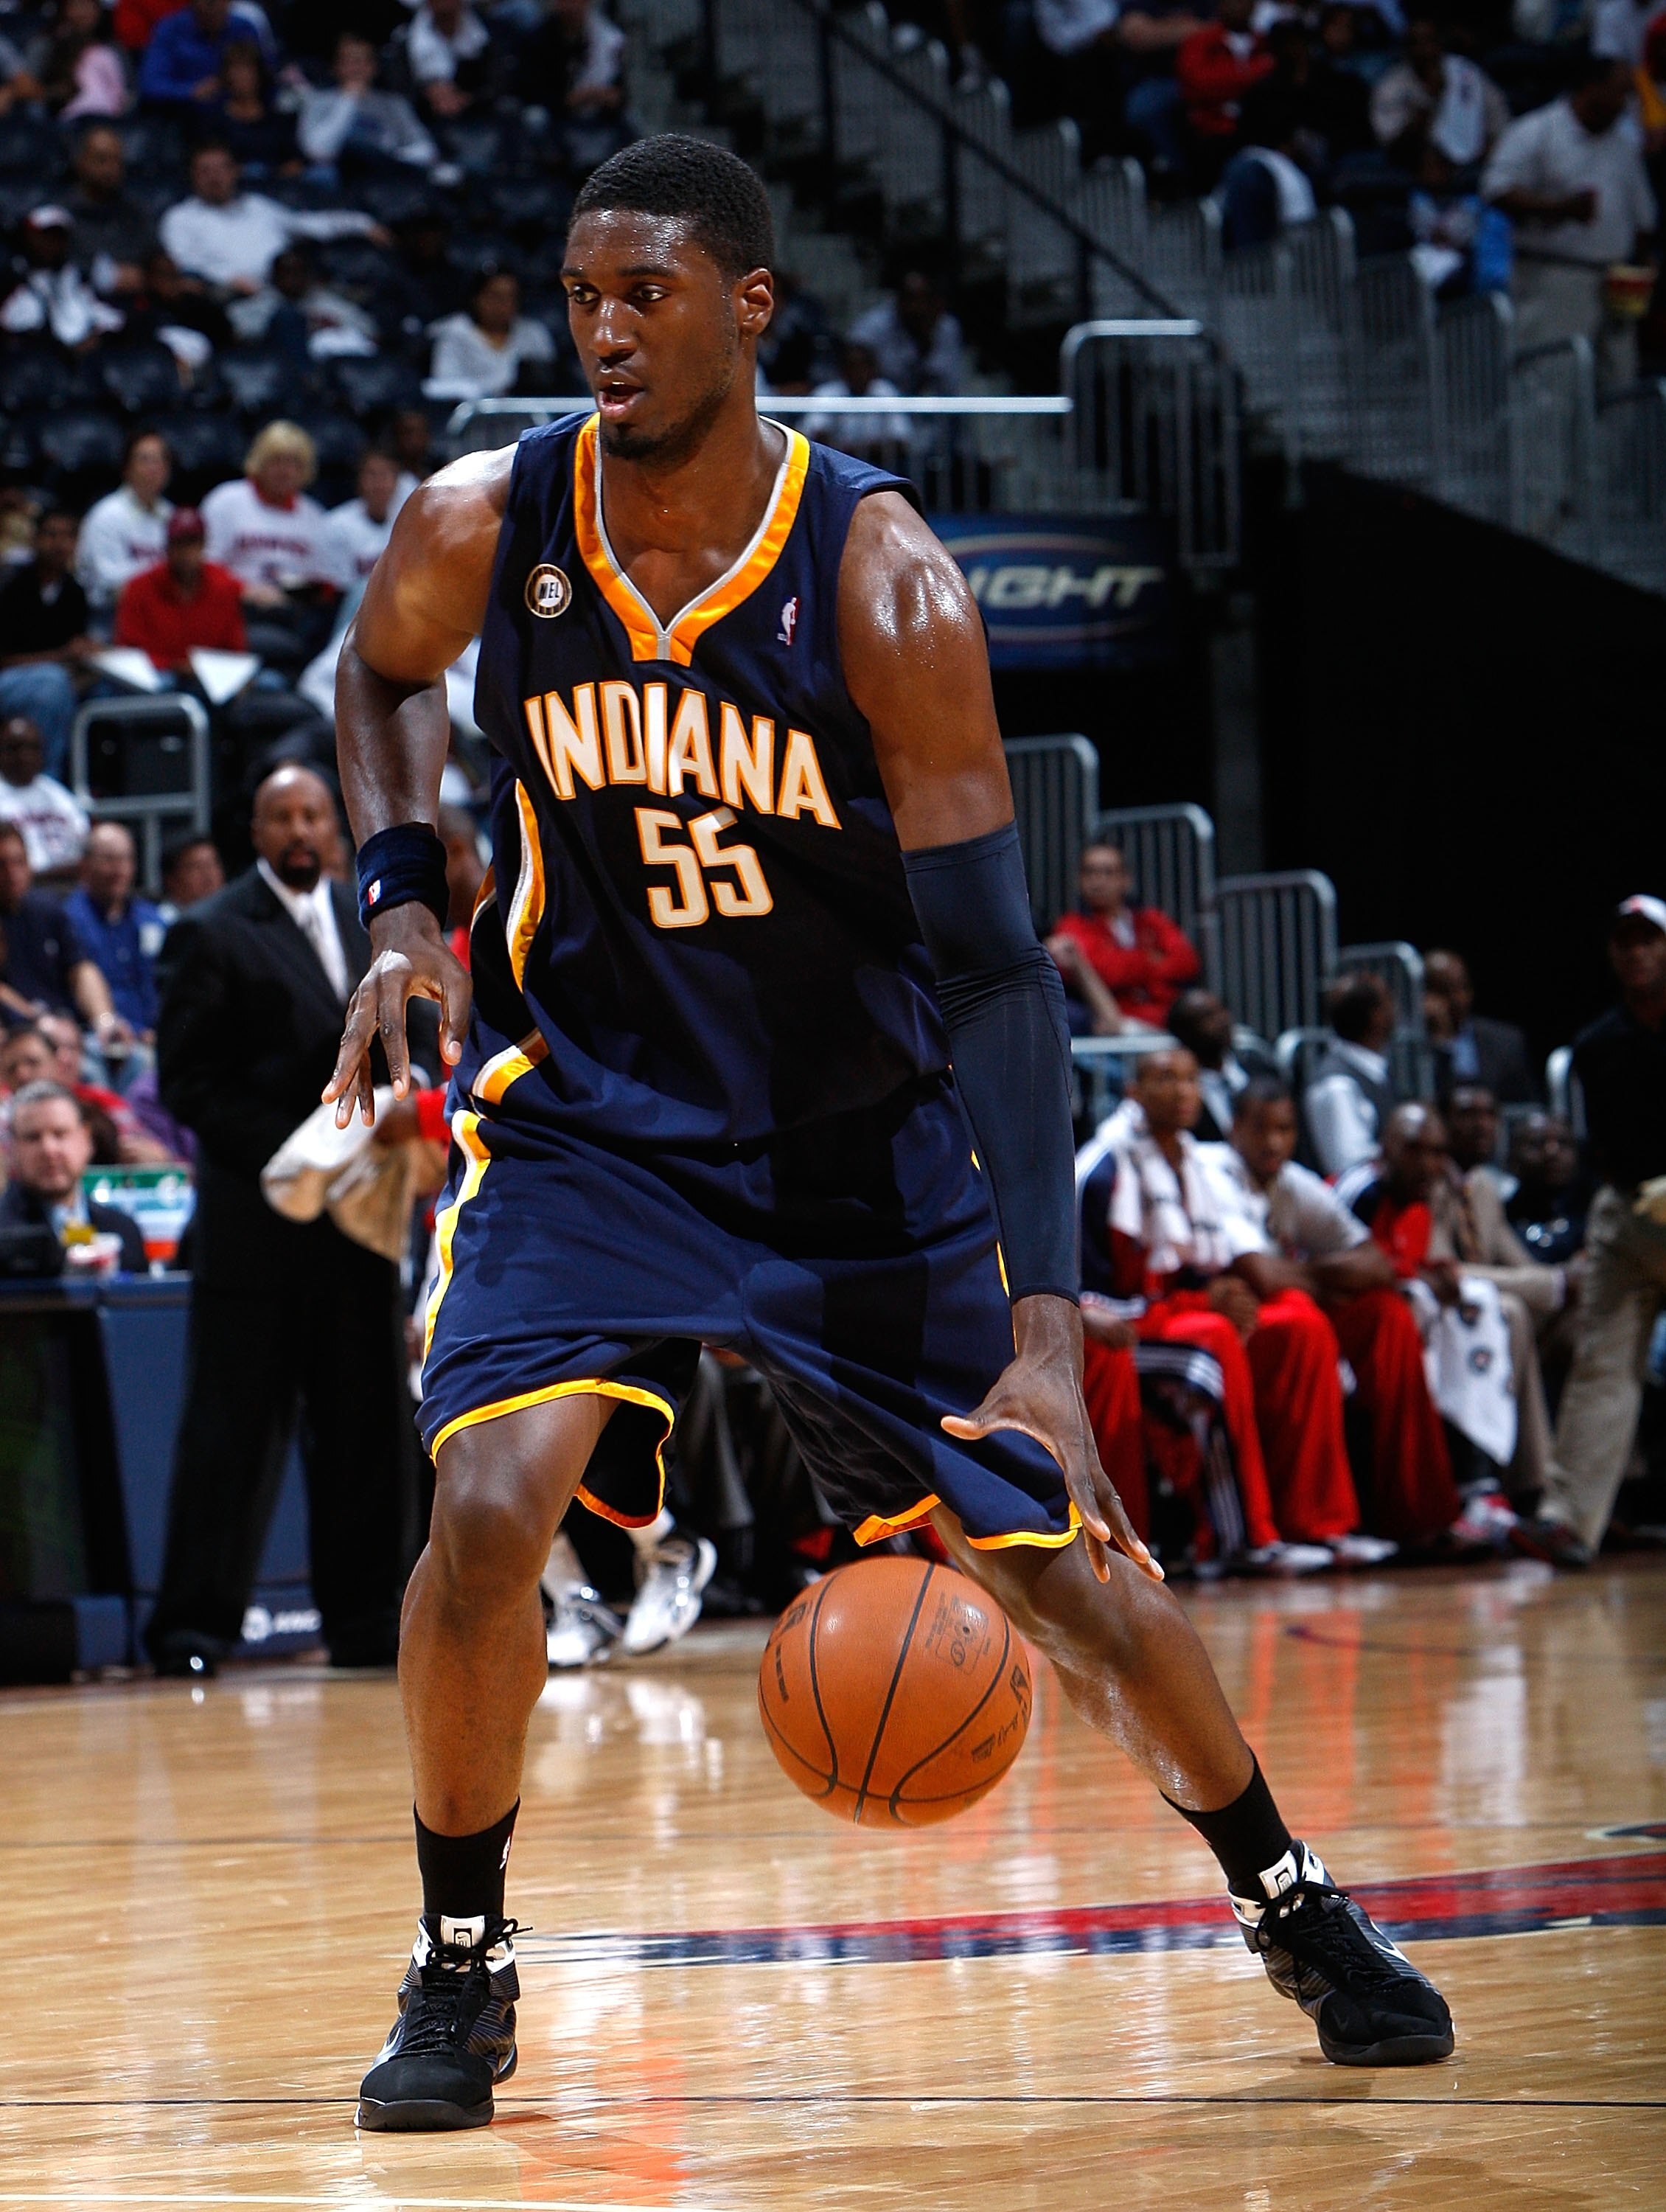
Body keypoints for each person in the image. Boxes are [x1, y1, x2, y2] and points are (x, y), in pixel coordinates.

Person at [321, 135, 1451, 2126]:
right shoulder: (481, 524)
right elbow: (379, 681)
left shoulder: (878, 577)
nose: (601, 331)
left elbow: (1003, 982)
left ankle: (1285, 1896)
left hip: (857, 1146)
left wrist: (1044, 1324)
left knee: (1065, 1576)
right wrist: (401, 909)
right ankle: (459, 1964)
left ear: (750, 305)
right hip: (590, 1124)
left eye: (643, 293)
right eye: (579, 294)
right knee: (486, 1519)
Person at [147, 764, 436, 1677]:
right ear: (257, 831)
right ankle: (192, 1632)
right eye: (284, 817)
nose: (302, 830)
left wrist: (407, 1102)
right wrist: (307, 1146)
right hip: (256, 1229)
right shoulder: (211, 931)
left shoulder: (370, 927)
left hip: (356, 1230)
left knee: (364, 1433)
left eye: (315, 813)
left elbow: (409, 1049)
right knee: (232, 1433)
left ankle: (363, 1625)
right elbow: (187, 1083)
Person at [1079, 1048, 1392, 1568]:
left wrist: (1222, 1297)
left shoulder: (1190, 1162)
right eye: (1163, 1078)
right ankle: (1242, 1540)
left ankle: (1319, 1522)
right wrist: (1205, 1302)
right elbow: (1086, 1295)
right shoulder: (1102, 1168)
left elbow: (1200, 1268)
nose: (1181, 1090)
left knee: (1297, 1324)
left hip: (1167, 1317)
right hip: (1109, 1326)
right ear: (1132, 1093)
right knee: (1211, 1350)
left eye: (1188, 1078)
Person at [1206, 1078, 1463, 1549]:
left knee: (1386, 1314)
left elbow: (1376, 1265)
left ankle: (1419, 1515)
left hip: (1270, 1310)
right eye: (1260, 1129)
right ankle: (1317, 1524)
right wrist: (1322, 1280)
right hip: (1214, 1313)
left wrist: (1305, 1275)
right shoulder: (1213, 1170)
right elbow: (1260, 1275)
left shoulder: (1291, 1180)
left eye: (1283, 1130)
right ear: (1235, 1128)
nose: (1272, 1142)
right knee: (1303, 1319)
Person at [1516, 898, 1666, 1566]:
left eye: (1649, 940)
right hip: (1629, 1214)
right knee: (1602, 1361)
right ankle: (1569, 1520)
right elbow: (1603, 1143)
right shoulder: (1597, 1044)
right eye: (1625, 942)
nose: (1636, 953)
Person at [1350, 1103, 1566, 1526]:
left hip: (1420, 1303)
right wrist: (1551, 1286)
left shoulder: (1465, 1187)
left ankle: (1513, 1490)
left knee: (1483, 1314)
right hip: (1360, 1314)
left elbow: (1423, 1266)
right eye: (1416, 1150)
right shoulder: (1371, 1191)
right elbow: (1356, 1265)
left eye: (1434, 1152)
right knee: (1478, 1315)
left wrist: (1557, 1282)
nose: (1427, 1163)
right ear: (1386, 1149)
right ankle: (1473, 1488)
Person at [1482, 54, 1658, 386]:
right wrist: (1558, 209)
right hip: (1553, 275)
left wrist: (1645, 266)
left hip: (1616, 280)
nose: (1627, 104)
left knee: (1618, 386)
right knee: (1549, 385)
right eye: (1621, 92)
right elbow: (1495, 190)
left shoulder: (1624, 142)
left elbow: (1643, 218)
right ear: (1593, 88)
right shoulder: (1538, 130)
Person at [159, 143, 384, 298]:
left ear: (235, 172)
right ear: (193, 176)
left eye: (222, 169)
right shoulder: (180, 218)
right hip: (232, 297)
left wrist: (362, 224)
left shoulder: (257, 206)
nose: (215, 177)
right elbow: (185, 261)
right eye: (205, 171)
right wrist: (228, 279)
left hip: (290, 289)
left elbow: (309, 225)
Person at [1046, 840, 1202, 1029]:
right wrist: (1151, 960)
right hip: (1115, 1024)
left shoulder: (1151, 919)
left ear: (1125, 879)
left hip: (1169, 1016)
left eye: (1108, 872)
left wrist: (1130, 966)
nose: (1098, 881)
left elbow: (1186, 962)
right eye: (1090, 872)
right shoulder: (1071, 925)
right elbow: (1107, 972)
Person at [0, 821, 125, 1046]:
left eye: (19, 862)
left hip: (67, 1031)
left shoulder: (47, 910)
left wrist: (105, 1021)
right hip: (15, 1038)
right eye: (2, 865)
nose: (12, 873)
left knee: (132, 1057)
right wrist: (37, 1020)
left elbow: (81, 969)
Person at [0, 1081, 147, 1269]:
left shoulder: (123, 1230)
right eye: (33, 1137)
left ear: (86, 1139)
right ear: (12, 1148)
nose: (49, 1149)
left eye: (60, 1134)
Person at [63, 819, 164, 1040]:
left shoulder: (152, 918)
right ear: (85, 865)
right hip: (97, 1037)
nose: (119, 869)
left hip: (157, 1033)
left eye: (126, 859)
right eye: (109, 859)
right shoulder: (67, 919)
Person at [115, 506, 248, 669]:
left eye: (192, 544)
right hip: (157, 676)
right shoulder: (140, 587)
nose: (186, 553)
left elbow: (235, 648)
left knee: (270, 682)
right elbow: (128, 652)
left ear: (203, 545)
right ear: (168, 547)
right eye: (179, 544)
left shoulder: (224, 585)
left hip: (211, 677)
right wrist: (174, 666)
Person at [1370, 14, 1509, 165]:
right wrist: (1429, 108)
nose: (1426, 50)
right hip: (1416, 165)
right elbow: (1390, 142)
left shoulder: (1464, 72)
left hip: (1475, 159)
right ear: (1406, 49)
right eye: (1417, 43)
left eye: (1430, 41)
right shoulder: (1391, 87)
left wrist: (1490, 147)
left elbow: (1499, 117)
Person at [297, 31, 438, 176]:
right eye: (350, 61)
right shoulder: (318, 101)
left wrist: (390, 158)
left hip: (386, 175)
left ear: (375, 67)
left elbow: (426, 149)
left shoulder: (394, 104)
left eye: (365, 61)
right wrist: (349, 99)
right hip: (337, 177)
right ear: (336, 67)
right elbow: (318, 150)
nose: (358, 67)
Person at [1304, 970, 1398, 1178]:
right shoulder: (1337, 1084)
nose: (1395, 1010)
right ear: (1376, 1016)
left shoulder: (1376, 1071)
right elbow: (1349, 1166)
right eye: (1388, 1003)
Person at [1, 203, 126, 350]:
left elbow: (112, 318)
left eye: (58, 237)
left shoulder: (81, 274)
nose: (50, 243)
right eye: (44, 236)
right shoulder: (10, 275)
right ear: (29, 236)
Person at [79, 432, 177, 618]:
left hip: (162, 610)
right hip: (111, 614)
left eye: (160, 460)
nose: (153, 468)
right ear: (127, 469)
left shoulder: (171, 515)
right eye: (144, 460)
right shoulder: (106, 515)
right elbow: (110, 585)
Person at [1168, 985, 1280, 1142]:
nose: (1222, 1021)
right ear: (1183, 1033)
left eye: (1222, 1011)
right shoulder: (1179, 1093)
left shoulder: (1262, 1070)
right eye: (1207, 1017)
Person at [1423, 946, 1534, 1103]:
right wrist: (1443, 1044)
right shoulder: (1410, 1047)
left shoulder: (1507, 1042)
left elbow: (1523, 1106)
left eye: (1462, 988)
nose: (1456, 999)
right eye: (1444, 990)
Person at [428, 268, 558, 401]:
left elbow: (550, 383)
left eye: (510, 297)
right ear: (476, 298)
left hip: (528, 414)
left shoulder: (534, 333)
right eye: (496, 296)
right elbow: (442, 383)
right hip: (473, 414)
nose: (503, 305)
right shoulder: (455, 332)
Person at [63, 122, 158, 299]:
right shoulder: (61, 214)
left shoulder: (136, 213)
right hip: (78, 304)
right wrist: (105, 276)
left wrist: (147, 276)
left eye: (116, 161)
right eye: (101, 160)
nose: (110, 170)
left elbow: (155, 257)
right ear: (81, 162)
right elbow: (54, 265)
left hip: (136, 306)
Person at [136, 0, 270, 118]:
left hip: (238, 118)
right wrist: (191, 91)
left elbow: (267, 76)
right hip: (185, 120)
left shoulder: (243, 29)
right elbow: (151, 85)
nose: (213, 7)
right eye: (208, 2)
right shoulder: (170, 31)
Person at [0, 714, 89, 882]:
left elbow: (83, 846)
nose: (24, 756)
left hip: (68, 884)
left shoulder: (59, 796)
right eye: (15, 748)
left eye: (32, 748)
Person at [848, 270, 967, 395]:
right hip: (883, 406)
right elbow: (854, 377)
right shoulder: (871, 328)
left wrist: (927, 347)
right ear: (898, 301)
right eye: (911, 299)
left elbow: (949, 385)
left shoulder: (947, 328)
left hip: (930, 406)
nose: (917, 308)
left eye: (924, 300)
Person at [1506, 1109, 1591, 1265]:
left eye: (1563, 1143)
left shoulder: (1593, 1217)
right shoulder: (1500, 1219)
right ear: (1513, 1158)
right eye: (1537, 1143)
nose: (1552, 1152)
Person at [325, 450, 416, 588]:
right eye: (372, 475)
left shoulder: (408, 525)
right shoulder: (337, 524)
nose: (379, 483)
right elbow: (339, 588)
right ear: (359, 480)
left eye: (385, 475)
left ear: (396, 482)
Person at [29, 0, 128, 122]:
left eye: (88, 5)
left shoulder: (113, 48)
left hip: (107, 120)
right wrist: (57, 92)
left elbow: (127, 94)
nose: (83, 13)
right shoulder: (45, 45)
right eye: (76, 5)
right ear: (63, 10)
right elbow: (30, 89)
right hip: (57, 121)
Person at [158, 829, 225, 923]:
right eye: (197, 867)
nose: (208, 875)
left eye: (213, 864)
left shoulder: (234, 919)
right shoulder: (158, 923)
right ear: (171, 879)